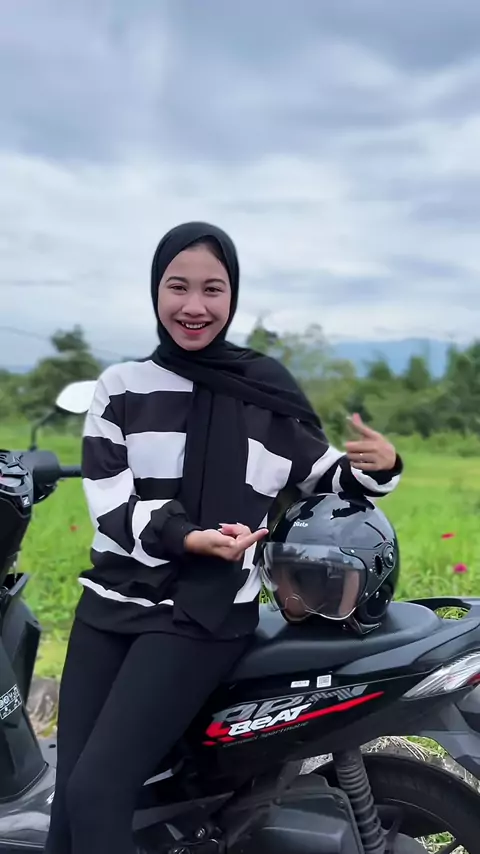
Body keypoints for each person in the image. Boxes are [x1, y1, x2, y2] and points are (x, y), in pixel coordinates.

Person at [45, 222, 403, 854]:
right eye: (177, 287)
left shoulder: (263, 392)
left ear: (232, 296)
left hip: (203, 613)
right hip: (110, 605)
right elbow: (111, 506)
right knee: (69, 807)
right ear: (155, 291)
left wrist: (381, 468)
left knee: (98, 791)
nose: (194, 306)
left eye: (212, 289)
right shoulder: (121, 388)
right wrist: (186, 537)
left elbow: (324, 479)